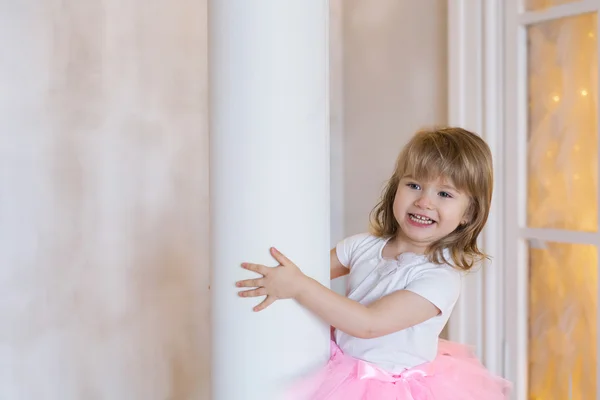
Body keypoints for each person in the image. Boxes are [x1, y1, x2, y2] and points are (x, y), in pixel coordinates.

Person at [236, 127, 511, 399]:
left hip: (388, 387)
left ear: (469, 213)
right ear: (396, 188)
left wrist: (300, 287)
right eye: (414, 185)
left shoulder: (439, 279)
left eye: (445, 194)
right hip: (341, 367)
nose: (424, 201)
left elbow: (369, 324)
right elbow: (303, 272)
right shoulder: (363, 245)